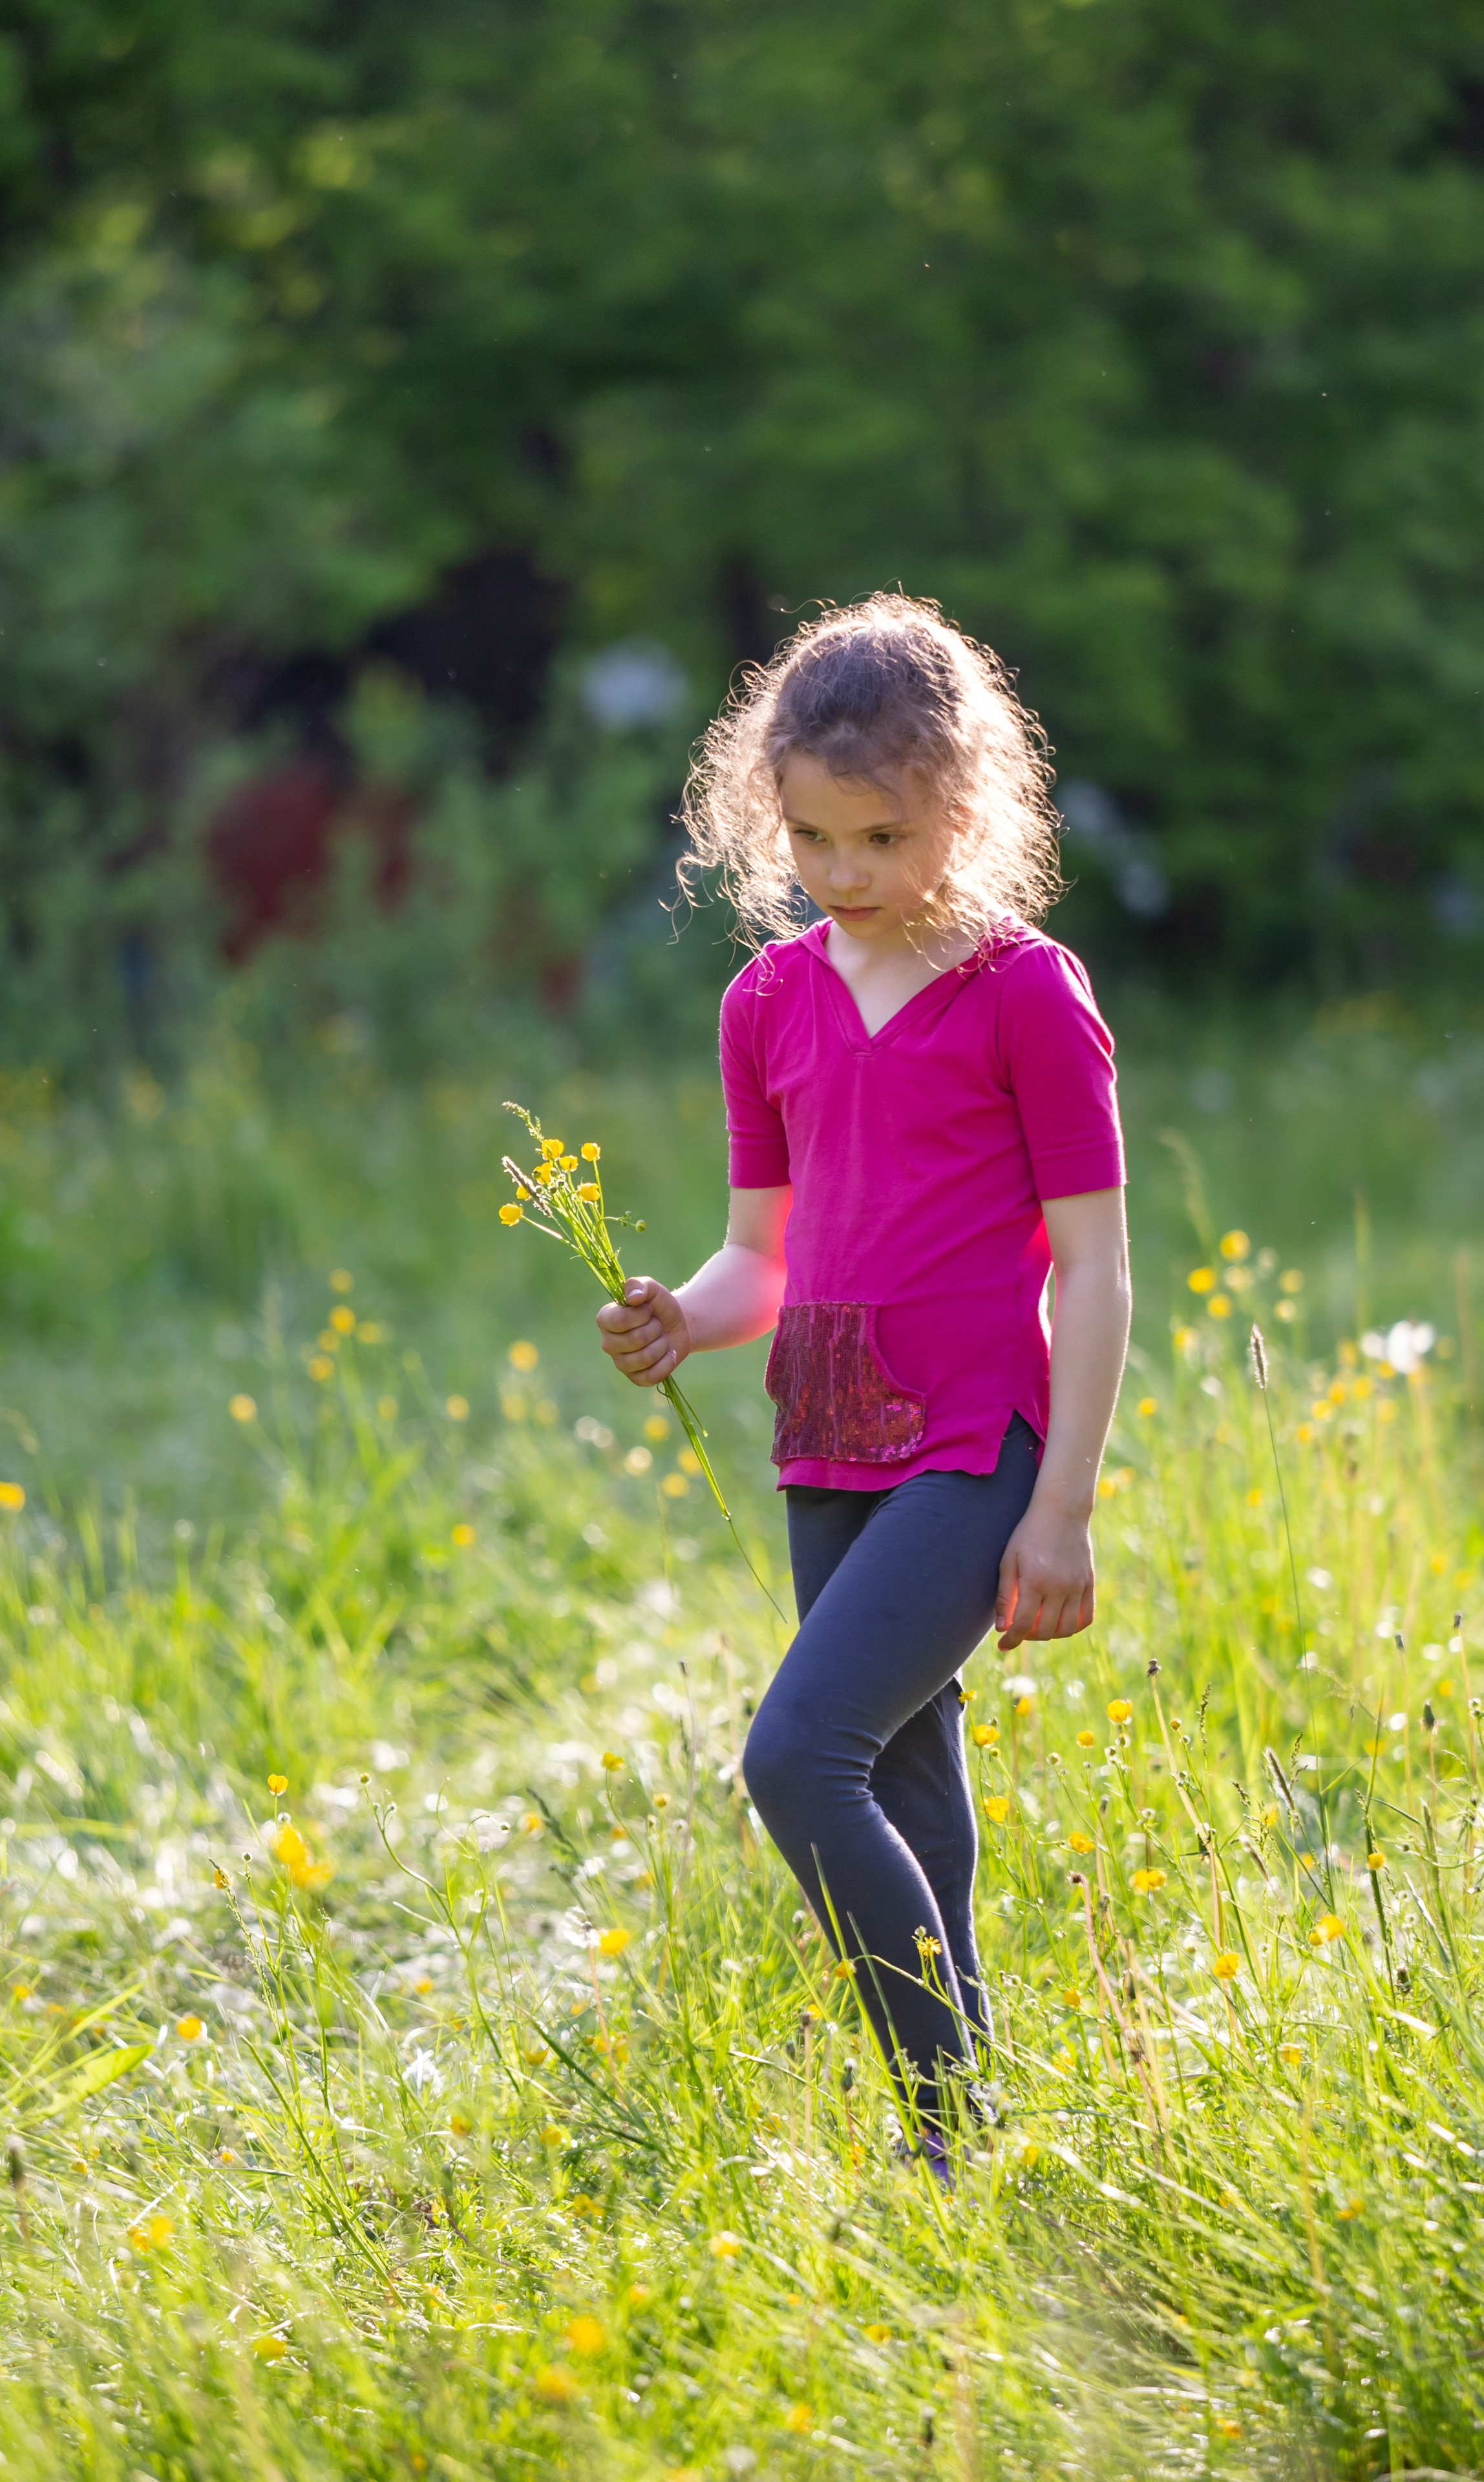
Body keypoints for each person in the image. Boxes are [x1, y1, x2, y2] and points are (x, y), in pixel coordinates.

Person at [596, 593, 1130, 2180]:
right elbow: (757, 1260)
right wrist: (675, 1321)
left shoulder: (1025, 994)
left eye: (881, 836)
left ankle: (944, 2124)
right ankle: (973, 2154)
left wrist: (1062, 1510)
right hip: (823, 1441)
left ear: (960, 809)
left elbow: (1092, 1267)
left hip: (977, 1444)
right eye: (814, 838)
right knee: (900, 1767)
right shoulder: (764, 1005)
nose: (844, 873)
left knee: (796, 1756)